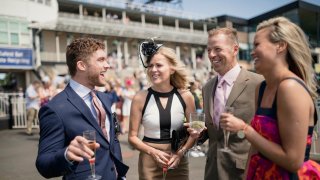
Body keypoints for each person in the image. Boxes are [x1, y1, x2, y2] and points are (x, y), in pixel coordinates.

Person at [220, 17, 320, 179]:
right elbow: (256, 147)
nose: (252, 52)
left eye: (257, 45)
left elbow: (294, 161)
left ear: (280, 46)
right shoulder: (262, 88)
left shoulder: (290, 88)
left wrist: (244, 129)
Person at [36, 37, 129, 179]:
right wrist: (66, 154)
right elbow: (43, 164)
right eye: (101, 60)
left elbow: (112, 141)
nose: (107, 65)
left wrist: (120, 174)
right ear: (82, 65)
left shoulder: (104, 98)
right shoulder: (55, 109)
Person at [199, 27, 263, 180]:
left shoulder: (258, 83)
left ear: (235, 49)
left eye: (217, 49)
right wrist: (199, 134)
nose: (212, 55)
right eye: (209, 50)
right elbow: (215, 132)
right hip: (212, 171)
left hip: (244, 172)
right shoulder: (207, 87)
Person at [128, 40, 196, 180]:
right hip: (149, 162)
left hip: (178, 161)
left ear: (172, 69)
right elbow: (132, 137)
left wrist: (181, 153)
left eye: (159, 65)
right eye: (150, 65)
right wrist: (152, 152)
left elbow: (195, 133)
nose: (153, 70)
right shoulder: (140, 98)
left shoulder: (186, 96)